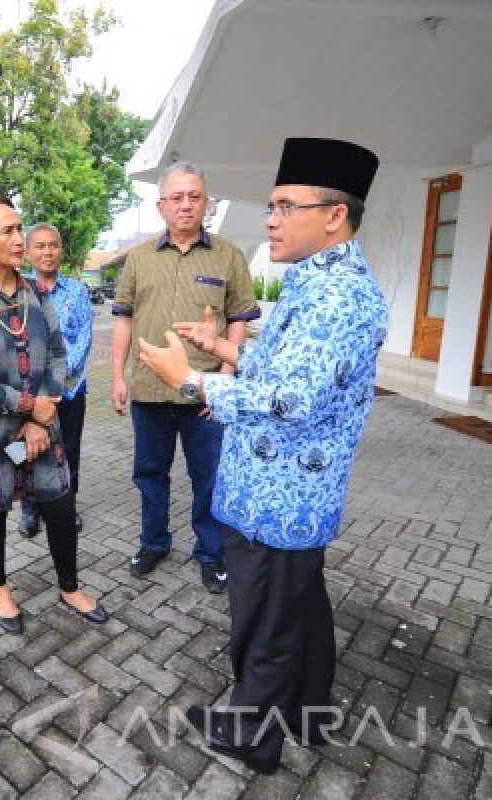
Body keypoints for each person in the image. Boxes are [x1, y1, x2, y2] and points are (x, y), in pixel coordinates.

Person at [137, 137, 388, 773]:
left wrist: (189, 382)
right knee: (298, 612)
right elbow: (284, 369)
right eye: (270, 207)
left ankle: (254, 737)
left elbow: (292, 400)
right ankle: (306, 714)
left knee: (266, 622)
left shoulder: (342, 297)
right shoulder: (313, 282)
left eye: (283, 207)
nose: (269, 220)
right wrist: (221, 346)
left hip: (284, 500)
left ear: (333, 215)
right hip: (271, 493)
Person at [0, 194, 108, 635]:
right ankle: (0, 588)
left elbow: (59, 356)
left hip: (41, 431)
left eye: (19, 228)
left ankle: (69, 586)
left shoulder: (37, 295)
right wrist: (25, 406)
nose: (19, 239)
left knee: (60, 506)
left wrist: (40, 417)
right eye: (7, 231)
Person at [111, 161, 258, 593]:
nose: (186, 205)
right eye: (177, 197)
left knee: (209, 476)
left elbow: (239, 319)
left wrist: (228, 376)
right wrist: (118, 377)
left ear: (207, 203)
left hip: (206, 393)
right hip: (150, 389)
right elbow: (123, 319)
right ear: (161, 206)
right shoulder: (138, 258)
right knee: (149, 472)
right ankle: (154, 543)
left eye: (194, 196)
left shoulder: (228, 255)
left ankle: (211, 554)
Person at [17, 223, 94, 539]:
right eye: (40, 246)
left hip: (70, 391)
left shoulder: (78, 291)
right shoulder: (18, 291)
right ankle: (29, 510)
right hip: (30, 394)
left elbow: (83, 340)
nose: (47, 252)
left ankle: (65, 507)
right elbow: (17, 343)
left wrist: (55, 381)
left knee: (68, 452)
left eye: (53, 245)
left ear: (61, 250)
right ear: (28, 252)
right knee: (26, 450)